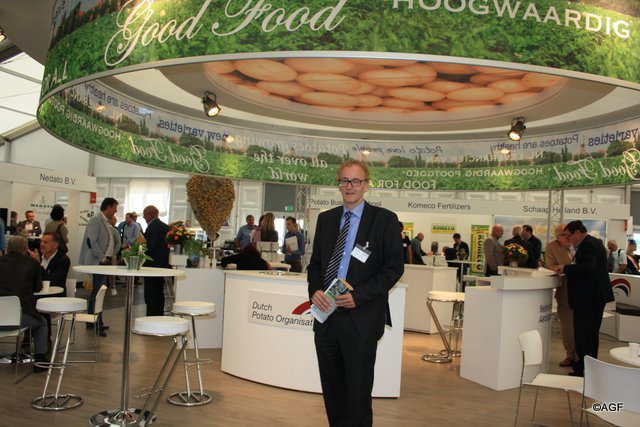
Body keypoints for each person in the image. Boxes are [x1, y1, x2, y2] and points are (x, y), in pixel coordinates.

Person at [307, 160, 404, 426]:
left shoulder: (384, 220)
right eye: (344, 181)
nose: (349, 186)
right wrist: (315, 290)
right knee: (333, 391)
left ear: (366, 185)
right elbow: (315, 265)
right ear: (339, 184)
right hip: (326, 318)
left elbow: (394, 269)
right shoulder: (326, 219)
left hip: (360, 318)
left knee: (358, 393)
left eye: (356, 181)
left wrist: (358, 296)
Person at [555, 220, 614, 377]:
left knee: (584, 335)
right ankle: (589, 368)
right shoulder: (593, 243)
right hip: (592, 297)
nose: (568, 239)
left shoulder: (588, 245)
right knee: (589, 335)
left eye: (568, 236)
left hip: (589, 298)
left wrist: (564, 268)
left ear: (577, 233)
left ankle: (582, 370)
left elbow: (587, 266)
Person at [0, 236, 49, 371]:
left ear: (8, 248)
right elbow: (38, 287)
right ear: (26, 249)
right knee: (42, 322)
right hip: (19, 318)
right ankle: (40, 360)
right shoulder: (32, 263)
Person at [79, 197, 119, 337]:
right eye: (114, 209)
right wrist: (102, 258)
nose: (115, 211)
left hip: (102, 263)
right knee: (98, 294)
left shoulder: (104, 221)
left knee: (97, 293)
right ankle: (96, 323)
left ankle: (93, 321)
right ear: (108, 207)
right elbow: (92, 241)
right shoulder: (96, 220)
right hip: (98, 263)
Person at [545, 224, 576, 368]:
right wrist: (563, 268)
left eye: (569, 233)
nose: (568, 236)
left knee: (581, 325)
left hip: (584, 291)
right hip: (565, 291)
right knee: (567, 325)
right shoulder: (552, 247)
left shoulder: (579, 244)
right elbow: (551, 267)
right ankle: (570, 355)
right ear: (558, 237)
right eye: (564, 234)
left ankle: (582, 356)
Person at [142, 205, 170, 316]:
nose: (143, 217)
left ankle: (151, 316)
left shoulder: (152, 227)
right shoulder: (165, 227)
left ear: (149, 215)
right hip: (162, 264)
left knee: (151, 294)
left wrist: (142, 248)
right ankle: (159, 315)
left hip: (152, 265)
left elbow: (151, 246)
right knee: (159, 292)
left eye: (144, 215)